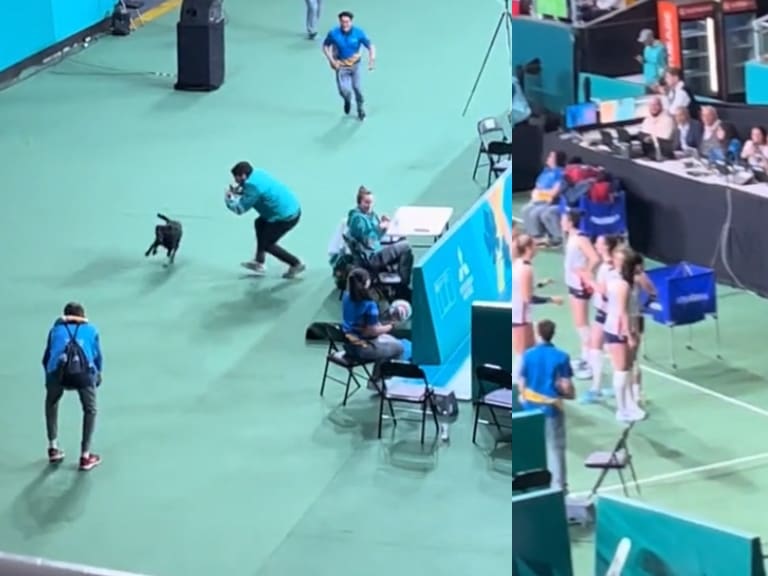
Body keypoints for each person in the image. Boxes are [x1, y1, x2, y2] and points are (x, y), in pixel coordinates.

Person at [41, 302, 103, 471]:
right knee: (90, 410)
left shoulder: (55, 331)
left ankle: (53, 448)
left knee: (52, 402)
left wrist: (49, 379)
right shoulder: (92, 330)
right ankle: (85, 456)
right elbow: (98, 358)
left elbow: (46, 358)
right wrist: (97, 375)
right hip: (84, 376)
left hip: (57, 375)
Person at [518, 319, 575, 492]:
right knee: (556, 449)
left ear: (538, 333)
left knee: (533, 449)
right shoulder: (562, 357)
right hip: (552, 410)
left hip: (529, 411)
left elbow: (522, 384)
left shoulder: (528, 355)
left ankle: (532, 485)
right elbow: (566, 387)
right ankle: (559, 488)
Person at [226, 161, 306, 279]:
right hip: (290, 208)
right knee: (259, 223)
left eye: (236, 178)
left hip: (286, 217)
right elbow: (253, 190)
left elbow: (239, 209)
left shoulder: (252, 188)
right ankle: (259, 262)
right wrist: (240, 191)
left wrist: (228, 199)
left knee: (268, 244)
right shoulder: (257, 174)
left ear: (243, 176)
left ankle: (296, 264)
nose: (236, 181)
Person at [597, 246, 646, 422]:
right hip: (618, 330)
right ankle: (622, 409)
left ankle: (630, 404)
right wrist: (629, 335)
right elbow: (622, 312)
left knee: (626, 367)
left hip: (622, 328)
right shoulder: (622, 284)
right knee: (622, 370)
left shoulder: (624, 281)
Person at [341, 267, 412, 385]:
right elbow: (370, 332)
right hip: (361, 348)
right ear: (367, 282)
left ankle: (376, 379)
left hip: (347, 344)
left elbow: (365, 326)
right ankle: (379, 381)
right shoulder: (369, 304)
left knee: (389, 341)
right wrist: (390, 326)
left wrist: (377, 327)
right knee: (399, 348)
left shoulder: (345, 297)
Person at [512, 234, 563, 385]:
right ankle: (516, 387)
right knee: (523, 355)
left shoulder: (518, 263)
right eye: (534, 245)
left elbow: (522, 288)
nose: (537, 248)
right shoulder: (526, 269)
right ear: (528, 248)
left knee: (530, 351)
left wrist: (541, 284)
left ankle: (530, 383)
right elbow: (528, 298)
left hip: (520, 315)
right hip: (519, 317)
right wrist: (551, 299)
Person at [347, 186, 413, 298]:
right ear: (359, 202)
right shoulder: (357, 220)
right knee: (406, 247)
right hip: (372, 257)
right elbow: (368, 240)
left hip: (377, 250)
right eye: (366, 202)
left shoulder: (369, 214)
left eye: (371, 202)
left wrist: (383, 224)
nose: (369, 206)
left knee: (402, 240)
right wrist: (379, 227)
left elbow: (376, 235)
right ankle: (403, 285)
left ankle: (397, 280)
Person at [581, 234, 622, 404]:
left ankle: (597, 388)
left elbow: (605, 293)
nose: (595, 245)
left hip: (606, 313)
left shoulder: (608, 267)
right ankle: (605, 386)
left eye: (598, 243)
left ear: (606, 246)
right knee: (602, 347)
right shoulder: (611, 264)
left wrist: (588, 280)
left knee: (597, 346)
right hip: (607, 311)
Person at [561, 209, 600, 380]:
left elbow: (595, 258)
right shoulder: (570, 237)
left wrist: (586, 272)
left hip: (580, 285)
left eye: (563, 219)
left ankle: (591, 363)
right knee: (579, 323)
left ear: (570, 222)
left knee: (582, 324)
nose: (561, 222)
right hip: (572, 283)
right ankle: (586, 357)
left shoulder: (580, 239)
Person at [322, 11, 376, 121]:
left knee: (357, 88)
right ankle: (347, 100)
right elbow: (325, 46)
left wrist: (371, 60)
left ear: (351, 22)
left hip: (355, 66)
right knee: (344, 91)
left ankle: (360, 109)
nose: (344, 24)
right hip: (340, 66)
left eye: (347, 22)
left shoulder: (359, 33)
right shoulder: (333, 33)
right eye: (342, 22)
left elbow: (370, 46)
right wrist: (331, 60)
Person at [521, 150, 567, 247]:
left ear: (557, 160)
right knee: (525, 210)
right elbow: (537, 187)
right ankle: (533, 235)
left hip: (551, 202)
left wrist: (541, 194)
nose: (548, 158)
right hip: (537, 200)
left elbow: (554, 192)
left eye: (551, 157)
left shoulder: (561, 174)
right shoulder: (546, 171)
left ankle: (547, 237)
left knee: (535, 213)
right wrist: (536, 194)